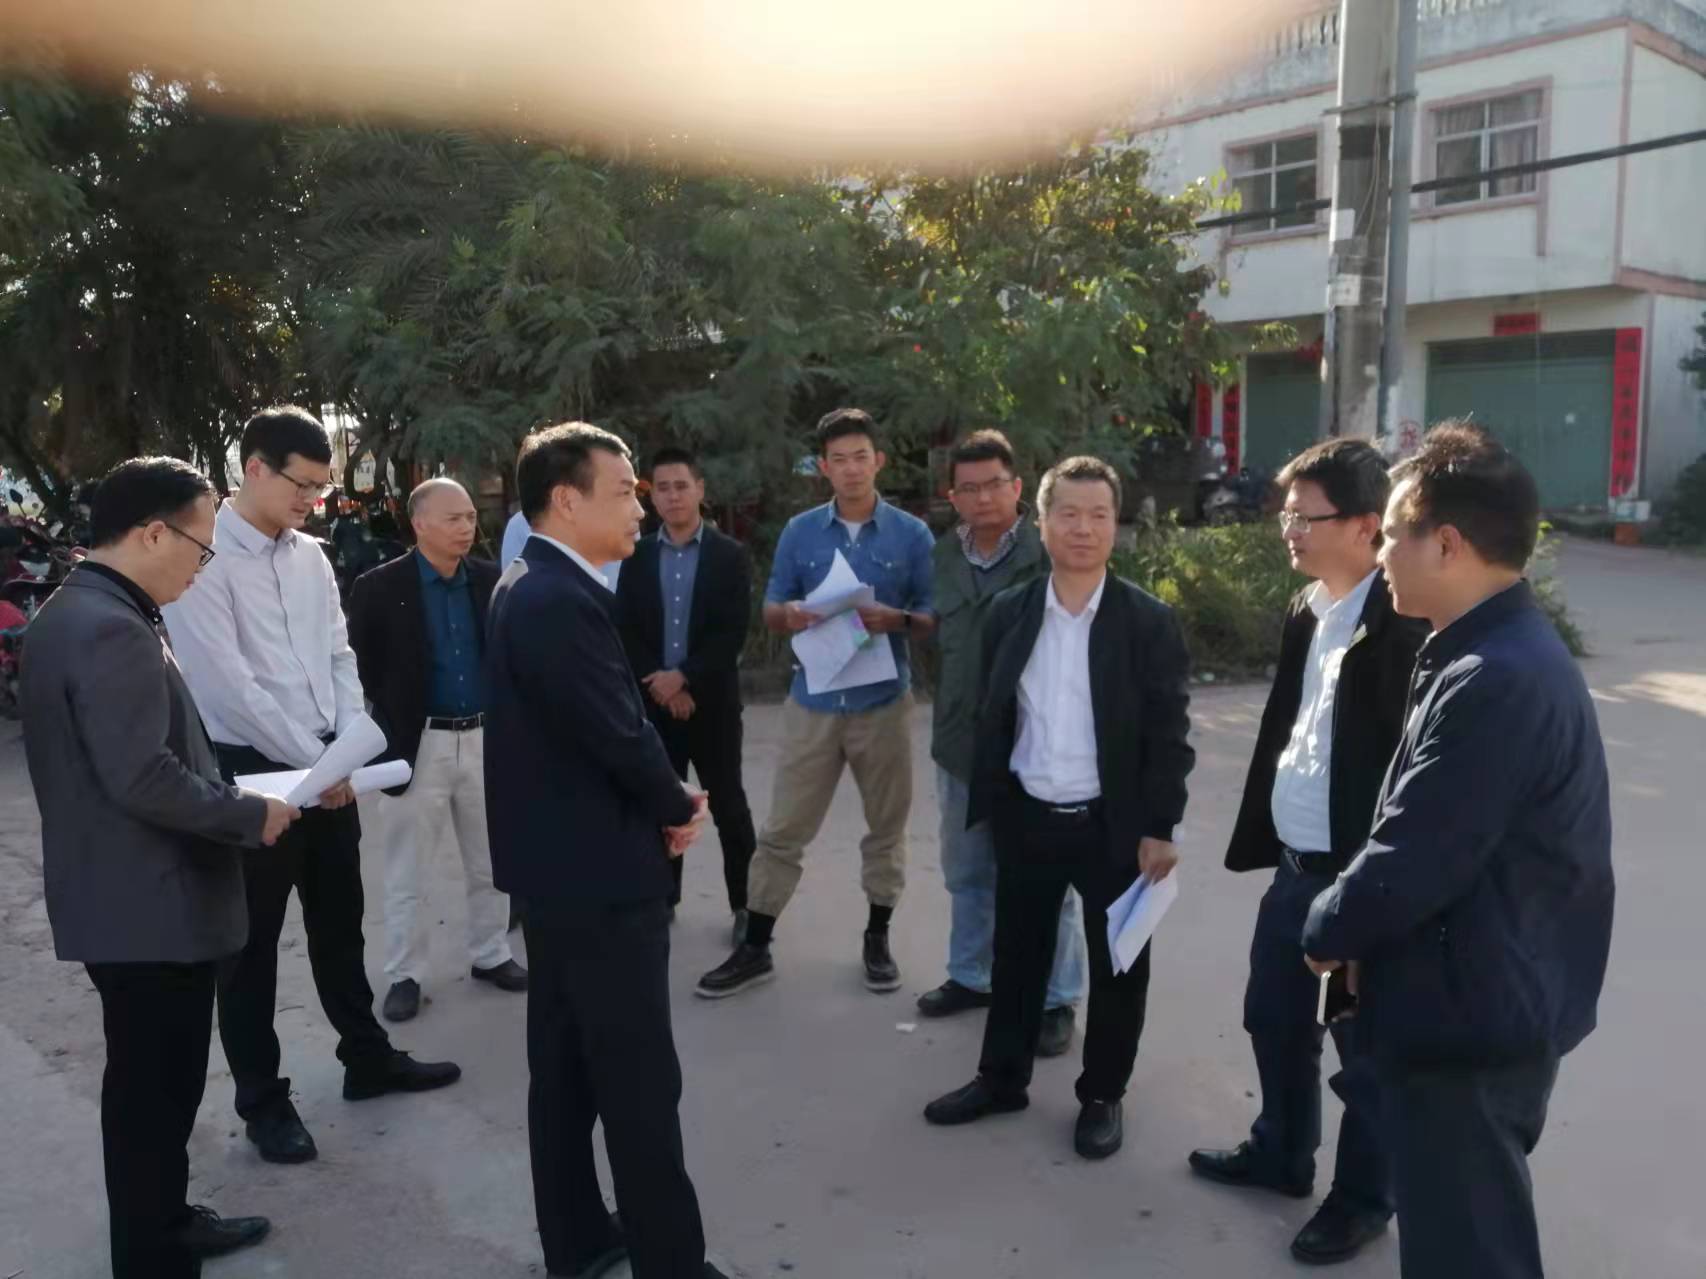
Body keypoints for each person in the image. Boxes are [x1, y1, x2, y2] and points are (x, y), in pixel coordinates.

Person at [1302, 422, 1615, 1279]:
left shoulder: (1495, 676)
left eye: (1393, 534)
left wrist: (1325, 925)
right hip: (1484, 995)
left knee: (1469, 1252)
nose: (1381, 553)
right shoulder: (1486, 650)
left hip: (1470, 1022)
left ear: (1446, 543)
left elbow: (1415, 854)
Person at [163, 406, 461, 1166]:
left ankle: (366, 1057)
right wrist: (321, 768)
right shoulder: (203, 558)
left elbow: (339, 655)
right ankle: (263, 1102)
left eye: (320, 488)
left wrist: (348, 746)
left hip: (330, 765)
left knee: (340, 921)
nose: (311, 500)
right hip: (250, 773)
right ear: (254, 469)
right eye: (301, 485)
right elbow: (227, 687)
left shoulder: (311, 558)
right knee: (250, 944)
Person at [22, 457, 297, 1276]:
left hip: (120, 897)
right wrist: (250, 812)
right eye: (200, 546)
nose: (203, 564)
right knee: (154, 1092)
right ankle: (152, 1250)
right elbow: (143, 777)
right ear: (151, 533)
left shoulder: (78, 609)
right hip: (148, 905)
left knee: (154, 1086)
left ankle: (165, 1219)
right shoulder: (110, 626)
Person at [485, 422, 729, 1279]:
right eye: (624, 491)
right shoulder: (556, 598)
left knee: (566, 1074)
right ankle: (671, 1260)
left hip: (559, 874)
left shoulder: (532, 581)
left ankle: (581, 1240)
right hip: (599, 880)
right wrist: (676, 803)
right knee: (637, 1085)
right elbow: (618, 732)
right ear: (566, 499)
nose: (640, 507)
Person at [1187, 438, 1427, 1265]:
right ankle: (1282, 1152)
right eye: (1285, 514)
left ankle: (1361, 1200)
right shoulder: (1307, 608)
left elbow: (1408, 773)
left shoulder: (1403, 626)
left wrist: (1377, 891)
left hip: (1359, 877)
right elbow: (1293, 725)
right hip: (1297, 866)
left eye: (1305, 516)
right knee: (1274, 1016)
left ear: (1366, 525)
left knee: (1363, 1051)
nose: (1288, 529)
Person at [923, 456, 1194, 1161]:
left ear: (1115, 524)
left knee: (1119, 968)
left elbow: (1169, 733)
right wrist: (994, 802)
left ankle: (1102, 1094)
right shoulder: (1009, 611)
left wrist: (1160, 826)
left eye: (1098, 515)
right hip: (1028, 815)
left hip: (1114, 826)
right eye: (1068, 513)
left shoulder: (1147, 621)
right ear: (1041, 523)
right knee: (1017, 957)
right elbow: (993, 712)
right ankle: (1000, 1079)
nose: (1083, 528)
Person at [696, 408, 936, 999]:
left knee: (886, 830)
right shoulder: (801, 532)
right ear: (823, 468)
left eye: (861, 457)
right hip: (813, 701)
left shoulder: (912, 535)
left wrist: (896, 619)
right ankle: (755, 946)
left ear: (879, 461)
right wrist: (790, 615)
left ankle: (877, 937)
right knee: (783, 830)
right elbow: (772, 607)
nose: (851, 469)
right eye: (839, 460)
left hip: (883, 703)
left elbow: (934, 615)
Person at [917, 429, 1085, 1060]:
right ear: (952, 497)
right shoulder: (942, 555)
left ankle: (1056, 999)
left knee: (1047, 879)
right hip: (960, 743)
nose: (983, 497)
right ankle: (972, 976)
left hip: (1034, 745)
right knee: (966, 870)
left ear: (1018, 488)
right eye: (969, 488)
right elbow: (937, 642)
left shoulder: (1049, 553)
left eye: (994, 484)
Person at [347, 478, 526, 1024]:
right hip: (415, 743)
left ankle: (491, 953)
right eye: (453, 518)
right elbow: (361, 666)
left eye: (470, 517)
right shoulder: (379, 588)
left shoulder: (492, 581)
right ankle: (405, 972)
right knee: (408, 868)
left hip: (485, 739)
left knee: (491, 858)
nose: (466, 527)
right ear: (419, 523)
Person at [616, 447, 758, 939]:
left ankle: (745, 906)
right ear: (651, 497)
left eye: (681, 486)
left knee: (730, 806)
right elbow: (626, 629)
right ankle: (663, 897)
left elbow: (731, 632)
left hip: (712, 703)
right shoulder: (635, 556)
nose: (673, 496)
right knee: (661, 803)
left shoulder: (729, 556)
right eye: (663, 488)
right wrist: (662, 684)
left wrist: (685, 679)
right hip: (655, 705)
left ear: (700, 489)